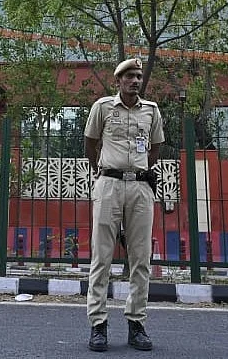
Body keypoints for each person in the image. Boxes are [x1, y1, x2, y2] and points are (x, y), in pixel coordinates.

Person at [83, 57, 164, 352]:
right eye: (129, 76)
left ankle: (136, 323)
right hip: (109, 184)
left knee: (141, 257)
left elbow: (156, 146)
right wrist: (102, 170)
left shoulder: (151, 111)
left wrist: (140, 169)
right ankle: (98, 325)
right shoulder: (103, 107)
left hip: (140, 187)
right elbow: (90, 143)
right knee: (101, 256)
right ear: (117, 81)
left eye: (138, 76)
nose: (135, 81)